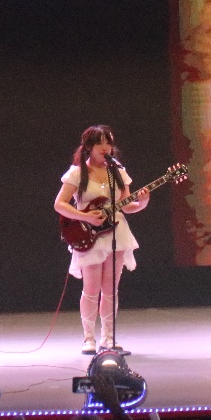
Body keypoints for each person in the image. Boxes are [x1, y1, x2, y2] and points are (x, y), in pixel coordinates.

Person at [53, 125, 149, 354]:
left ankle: (109, 338)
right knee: (91, 288)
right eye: (100, 143)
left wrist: (143, 203)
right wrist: (85, 216)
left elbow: (127, 205)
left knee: (111, 288)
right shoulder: (77, 173)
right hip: (89, 233)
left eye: (109, 143)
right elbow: (60, 204)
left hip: (117, 232)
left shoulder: (118, 171)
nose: (105, 147)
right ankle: (88, 338)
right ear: (89, 147)